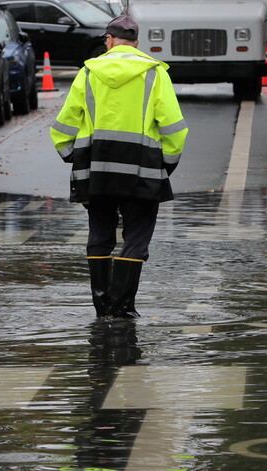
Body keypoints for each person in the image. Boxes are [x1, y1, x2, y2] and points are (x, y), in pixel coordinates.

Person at [50, 14, 188, 318]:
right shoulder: (154, 74)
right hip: (142, 171)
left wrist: (72, 156)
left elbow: (62, 127)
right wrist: (166, 164)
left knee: (99, 234)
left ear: (108, 41)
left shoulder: (88, 73)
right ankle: (122, 306)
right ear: (137, 43)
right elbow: (175, 129)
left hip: (96, 173)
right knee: (136, 238)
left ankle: (102, 305)